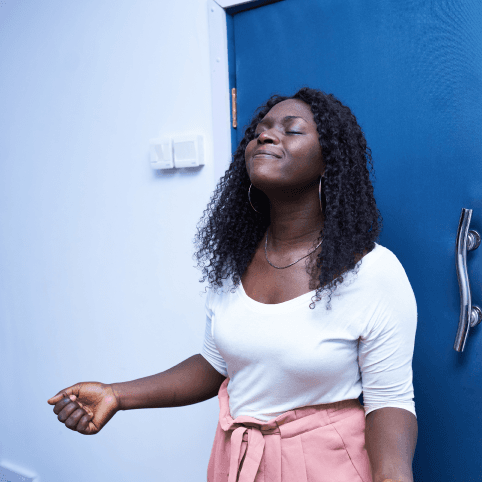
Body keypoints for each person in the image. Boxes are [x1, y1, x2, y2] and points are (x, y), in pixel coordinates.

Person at [48, 87, 418, 482]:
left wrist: (392, 476)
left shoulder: (372, 272)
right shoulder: (235, 261)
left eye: (291, 131)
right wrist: (117, 394)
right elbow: (216, 364)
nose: (266, 135)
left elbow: (390, 401)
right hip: (238, 463)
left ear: (330, 161)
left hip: (325, 465)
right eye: (261, 130)